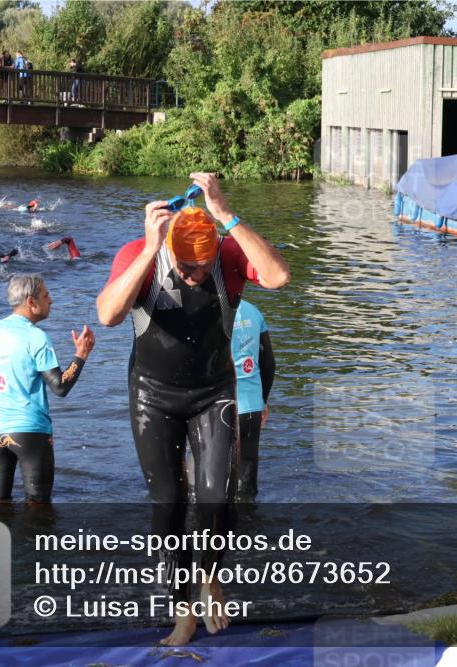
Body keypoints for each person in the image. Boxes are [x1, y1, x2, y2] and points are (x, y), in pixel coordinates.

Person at [96, 172, 289, 645]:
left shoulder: (226, 254)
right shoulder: (139, 253)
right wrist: (147, 250)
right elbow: (108, 314)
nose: (193, 274)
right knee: (169, 502)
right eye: (185, 265)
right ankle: (183, 608)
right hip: (153, 396)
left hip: (213, 392)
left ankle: (209, 579)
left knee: (216, 497)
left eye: (201, 266)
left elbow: (280, 278)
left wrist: (228, 216)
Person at [0, 274, 95, 502]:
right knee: (38, 508)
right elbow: (60, 387)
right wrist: (81, 355)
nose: (51, 301)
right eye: (46, 295)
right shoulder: (36, 337)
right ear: (31, 302)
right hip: (30, 433)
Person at [231, 299, 275, 500]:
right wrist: (262, 401)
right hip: (251, 406)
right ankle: (249, 525)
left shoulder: (205, 308)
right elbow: (269, 362)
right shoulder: (253, 311)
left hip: (215, 405)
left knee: (207, 477)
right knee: (246, 477)